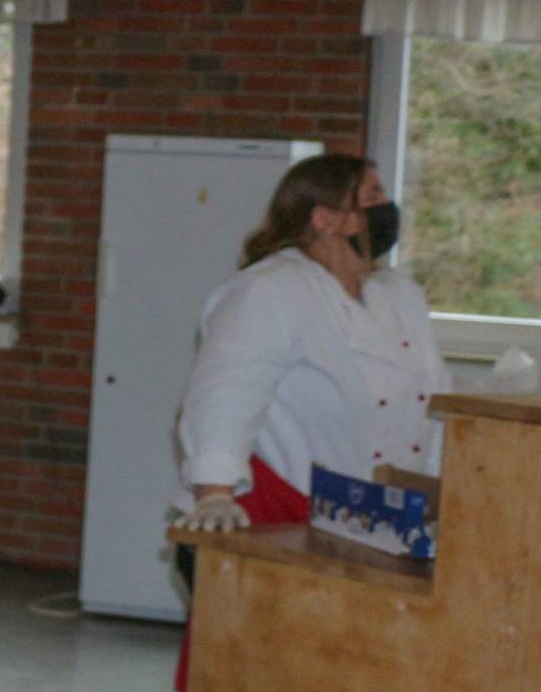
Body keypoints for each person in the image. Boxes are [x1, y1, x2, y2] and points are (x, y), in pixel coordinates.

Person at [176, 153, 450, 532]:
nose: (387, 210)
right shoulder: (269, 291)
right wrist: (215, 494)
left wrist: (441, 495)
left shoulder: (401, 296)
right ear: (325, 219)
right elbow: (225, 397)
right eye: (372, 198)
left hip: (382, 520)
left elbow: (435, 404)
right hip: (277, 516)